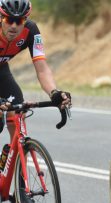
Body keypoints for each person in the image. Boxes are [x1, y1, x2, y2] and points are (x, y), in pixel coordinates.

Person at [0, 0, 71, 139]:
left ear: (25, 20)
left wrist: (54, 93)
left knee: (17, 114)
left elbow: (42, 69)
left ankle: (19, 157)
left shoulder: (31, 30)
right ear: (1, 17)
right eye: (9, 20)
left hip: (2, 71)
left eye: (19, 21)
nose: (14, 26)